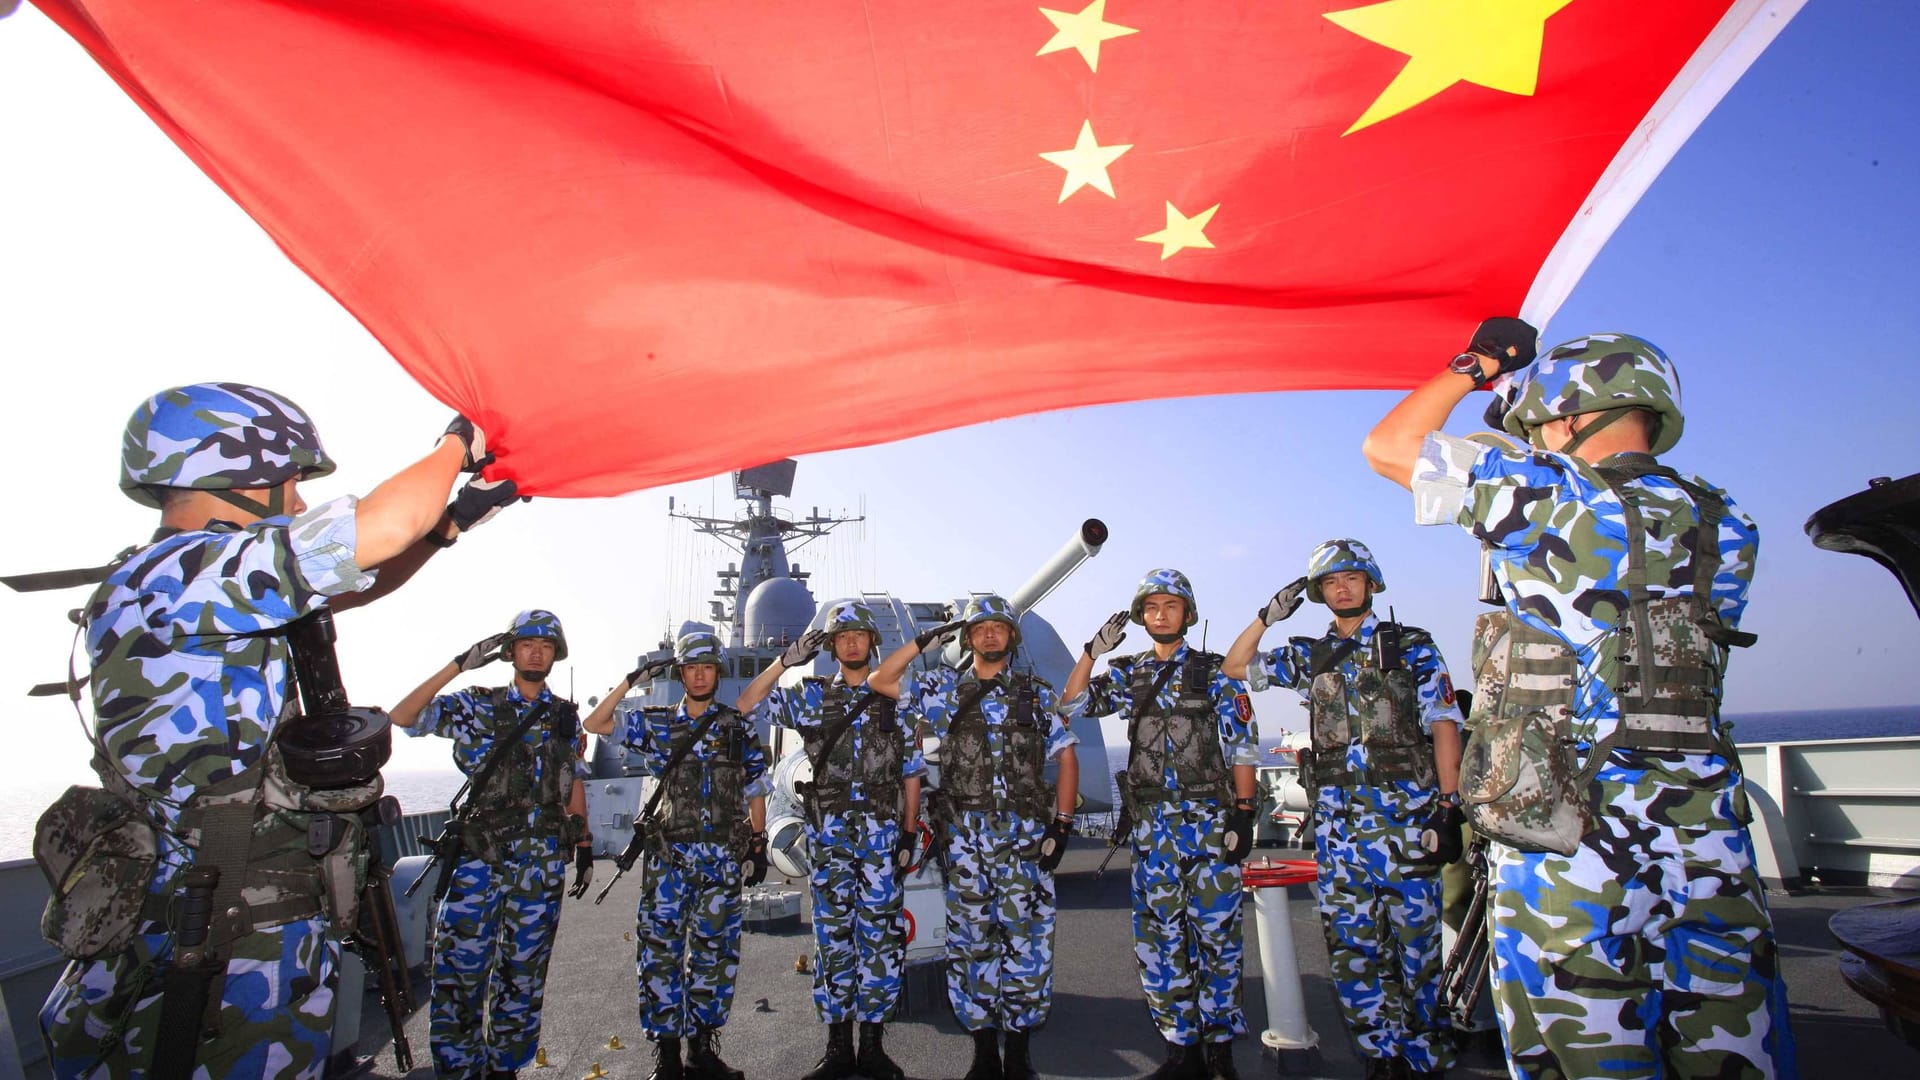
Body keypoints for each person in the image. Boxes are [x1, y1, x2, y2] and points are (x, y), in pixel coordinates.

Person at [37, 383, 510, 1079]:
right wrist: (459, 444)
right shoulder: (176, 574)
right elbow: (374, 531)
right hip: (213, 942)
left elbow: (353, 578)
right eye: (288, 485)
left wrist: (454, 519)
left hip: (236, 926)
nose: (295, 504)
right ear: (232, 475)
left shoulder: (190, 581)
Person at [1362, 321, 1795, 1078]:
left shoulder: (1552, 500)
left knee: (1583, 1052)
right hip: (1706, 836)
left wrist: (1479, 367)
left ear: (1568, 417)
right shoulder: (1730, 524)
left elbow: (1389, 446)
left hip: (1571, 835)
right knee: (1731, 1048)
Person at [1222, 543, 1464, 1080]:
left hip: (1405, 821)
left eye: (1352, 579)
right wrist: (1267, 617)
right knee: (1352, 948)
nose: (1343, 589)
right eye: (1332, 583)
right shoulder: (1310, 655)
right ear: (1320, 594)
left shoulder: (1412, 646)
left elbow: (1445, 722)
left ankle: (1424, 1058)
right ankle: (1379, 1055)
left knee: (1416, 947)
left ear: (1371, 584)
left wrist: (1449, 805)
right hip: (1339, 829)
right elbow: (1235, 666)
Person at [870, 595, 1080, 1080]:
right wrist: (922, 642)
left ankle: (1021, 1052)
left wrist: (1063, 825)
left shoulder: (1036, 695)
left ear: (1011, 637)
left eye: (998, 628)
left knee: (1027, 942)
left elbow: (1065, 757)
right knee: (970, 945)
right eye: (980, 628)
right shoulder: (941, 690)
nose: (989, 635)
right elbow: (882, 681)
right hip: (965, 842)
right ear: (968, 639)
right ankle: (984, 1050)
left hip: (1026, 844)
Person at [1062, 569, 1258, 1080]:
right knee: (1159, 939)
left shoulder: (1216, 672)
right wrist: (1091, 652)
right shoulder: (1130, 674)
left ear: (1187, 613)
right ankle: (1180, 1049)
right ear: (1141, 617)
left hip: (1210, 826)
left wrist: (1244, 811)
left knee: (1217, 938)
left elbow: (1242, 743)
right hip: (1154, 830)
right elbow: (1073, 704)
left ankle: (1220, 1052)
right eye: (1151, 608)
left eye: (1171, 606)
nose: (1161, 615)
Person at [389, 609, 592, 1079]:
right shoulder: (477, 705)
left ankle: (506, 1069)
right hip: (481, 859)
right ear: (511, 652)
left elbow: (573, 782)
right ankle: (459, 1070)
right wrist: (458, 665)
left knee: (524, 975)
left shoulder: (565, 717)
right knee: (461, 973)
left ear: (555, 654)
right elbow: (405, 716)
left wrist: (583, 844)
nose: (536, 651)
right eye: (527, 644)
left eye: (545, 645)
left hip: (540, 864)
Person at [734, 602, 925, 1080]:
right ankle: (838, 1049)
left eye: (859, 636)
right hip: (831, 839)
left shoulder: (895, 696)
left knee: (880, 942)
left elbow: (911, 774)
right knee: (832, 942)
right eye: (843, 637)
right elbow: (747, 705)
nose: (853, 643)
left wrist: (908, 833)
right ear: (834, 647)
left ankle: (874, 1049)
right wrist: (785, 662)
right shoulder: (810, 696)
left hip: (882, 841)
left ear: (870, 643)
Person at [583, 631, 771, 1080]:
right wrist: (631, 680)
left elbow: (755, 788)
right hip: (670, 862)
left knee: (715, 957)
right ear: (681, 673)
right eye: (691, 667)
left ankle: (701, 1053)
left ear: (717, 672)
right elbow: (596, 723)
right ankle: (666, 1059)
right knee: (660, 958)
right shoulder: (657, 723)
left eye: (707, 666)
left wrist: (758, 843)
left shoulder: (735, 726)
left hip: (722, 862)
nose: (700, 673)